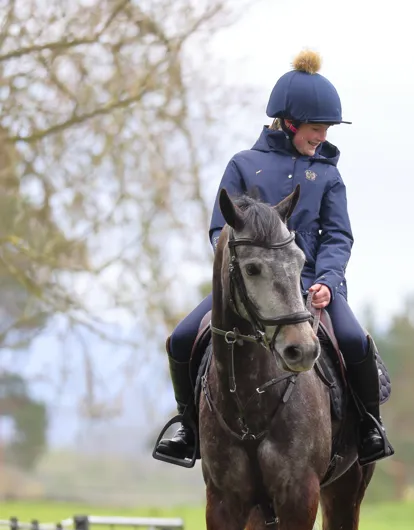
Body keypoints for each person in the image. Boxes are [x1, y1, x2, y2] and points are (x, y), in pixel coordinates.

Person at [153, 50, 394, 468]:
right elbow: (219, 229)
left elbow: (337, 236)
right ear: (290, 122)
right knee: (180, 340)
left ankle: (369, 426)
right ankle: (188, 428)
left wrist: (329, 280)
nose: (323, 138)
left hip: (311, 288)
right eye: (317, 130)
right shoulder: (243, 165)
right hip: (249, 288)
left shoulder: (329, 175)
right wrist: (243, 274)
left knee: (356, 342)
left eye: (326, 131)